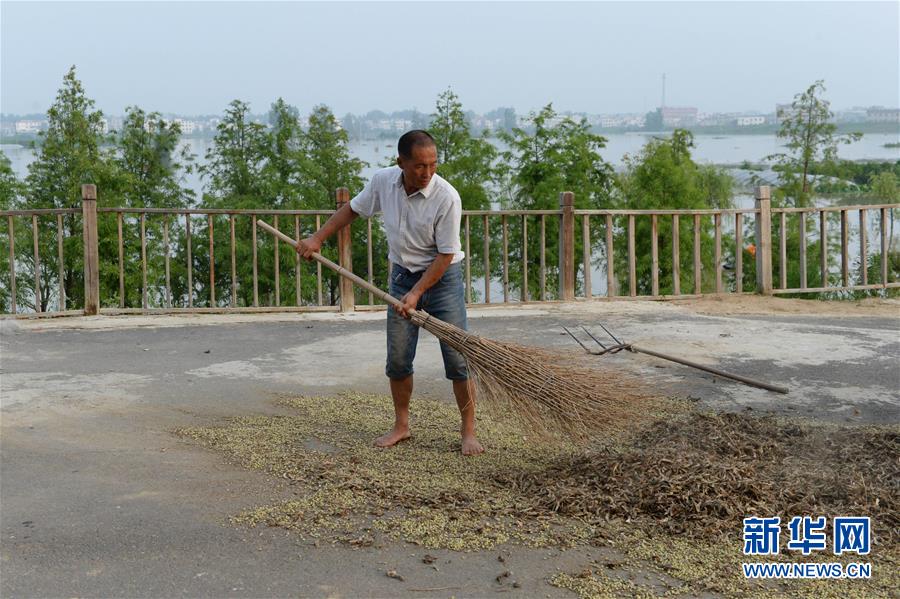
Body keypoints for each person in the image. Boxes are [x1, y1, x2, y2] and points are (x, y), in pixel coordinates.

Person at [296, 130, 484, 456]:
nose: (427, 173)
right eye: (419, 166)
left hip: (443, 280)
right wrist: (317, 238)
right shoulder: (383, 182)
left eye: (433, 165)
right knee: (398, 359)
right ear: (401, 163)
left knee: (458, 359)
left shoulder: (447, 197)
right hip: (401, 277)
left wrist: (417, 293)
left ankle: (468, 432)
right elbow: (352, 209)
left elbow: (445, 255)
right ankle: (402, 426)